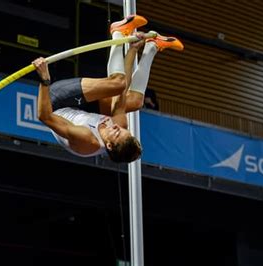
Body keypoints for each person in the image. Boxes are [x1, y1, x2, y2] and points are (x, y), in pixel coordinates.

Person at [32, 15, 183, 163]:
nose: (117, 127)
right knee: (135, 101)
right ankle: (152, 46)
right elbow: (121, 92)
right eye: (124, 131)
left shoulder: (86, 140)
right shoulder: (120, 126)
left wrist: (44, 80)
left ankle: (117, 31)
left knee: (117, 82)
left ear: (109, 146)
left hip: (54, 103)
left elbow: (45, 117)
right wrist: (132, 50)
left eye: (117, 133)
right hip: (82, 108)